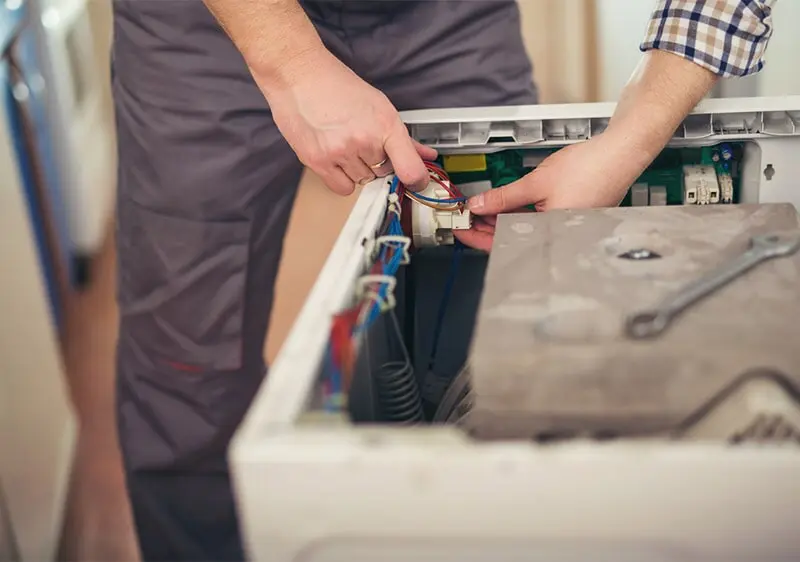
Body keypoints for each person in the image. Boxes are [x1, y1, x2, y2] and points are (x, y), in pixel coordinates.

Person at [110, 0, 776, 559]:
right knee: (189, 361)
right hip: (206, 26)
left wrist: (626, 144)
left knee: (501, 312)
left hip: (446, 18)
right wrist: (291, 63)